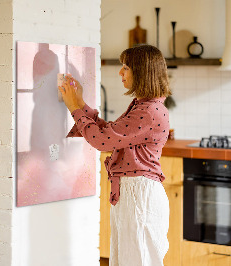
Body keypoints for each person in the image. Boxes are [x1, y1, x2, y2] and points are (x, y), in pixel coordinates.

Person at [58, 44, 171, 266]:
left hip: (139, 195)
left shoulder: (148, 111)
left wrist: (74, 108)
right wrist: (80, 103)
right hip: (133, 193)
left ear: (142, 72)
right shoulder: (144, 106)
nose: (120, 72)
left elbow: (102, 141)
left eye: (126, 67)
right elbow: (110, 133)